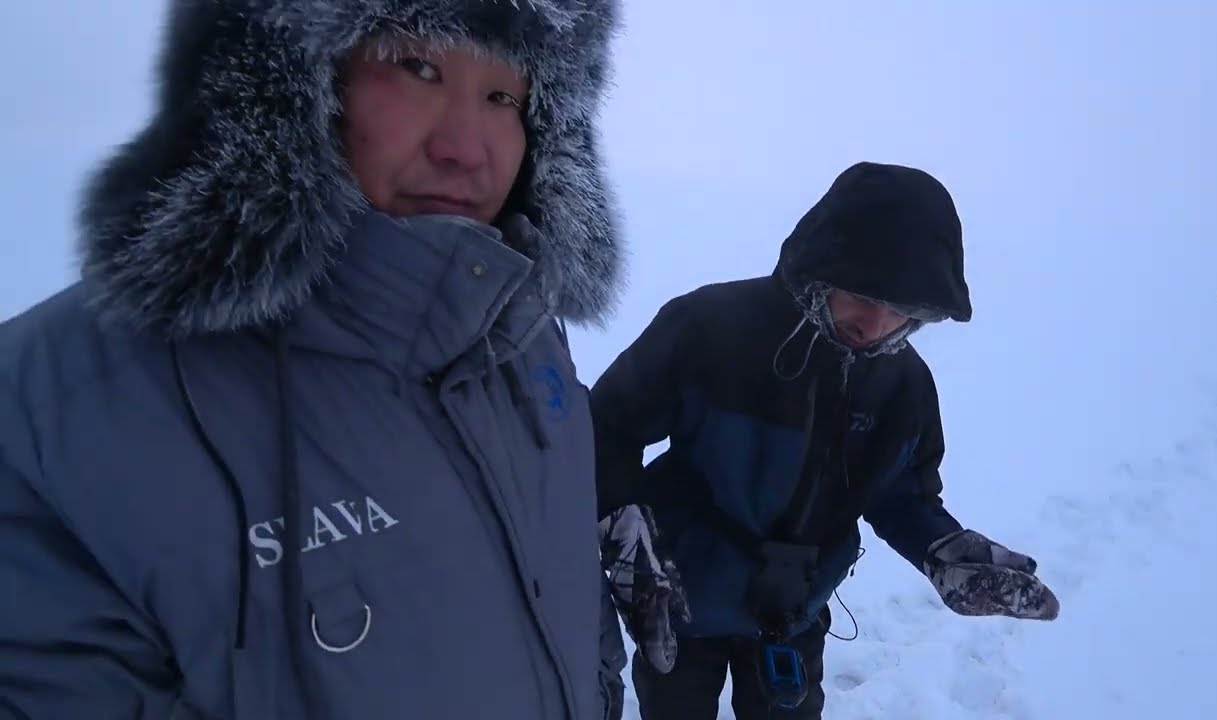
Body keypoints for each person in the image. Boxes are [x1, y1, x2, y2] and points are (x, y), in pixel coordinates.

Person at [0, 1, 629, 718]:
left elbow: (567, 574)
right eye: (417, 67)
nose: (467, 148)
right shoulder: (48, 419)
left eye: (502, 97)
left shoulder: (517, 328)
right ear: (278, 83)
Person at [592, 161, 1060, 719]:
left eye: (903, 309)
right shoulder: (708, 330)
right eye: (863, 294)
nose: (877, 323)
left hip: (791, 615)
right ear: (820, 269)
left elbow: (901, 495)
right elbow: (606, 428)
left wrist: (940, 549)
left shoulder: (904, 386)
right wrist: (621, 522)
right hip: (677, 604)